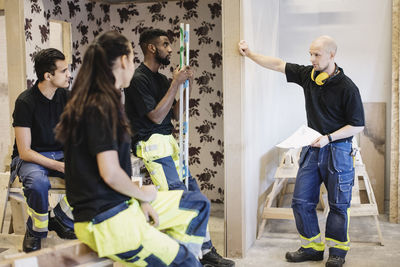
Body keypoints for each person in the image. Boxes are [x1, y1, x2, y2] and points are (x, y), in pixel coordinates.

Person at [55, 30, 210, 266]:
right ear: (125, 60)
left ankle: (173, 254)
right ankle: (179, 258)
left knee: (198, 204)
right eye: (132, 58)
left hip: (118, 207)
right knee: (187, 261)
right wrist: (142, 193)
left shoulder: (102, 100)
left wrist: (141, 201)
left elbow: (115, 171)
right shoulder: (100, 105)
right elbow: (111, 173)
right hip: (107, 221)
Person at [238, 36, 365, 267]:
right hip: (312, 149)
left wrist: (328, 138)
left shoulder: (347, 87)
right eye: (311, 54)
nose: (312, 59)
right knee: (301, 202)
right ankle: (312, 247)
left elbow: (357, 125)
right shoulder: (309, 76)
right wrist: (250, 53)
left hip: (338, 151)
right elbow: (277, 64)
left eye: (317, 54)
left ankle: (337, 251)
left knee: (338, 205)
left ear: (331, 55)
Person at [124, 28, 235, 267]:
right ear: (151, 48)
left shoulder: (162, 80)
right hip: (152, 147)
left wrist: (187, 85)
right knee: (181, 200)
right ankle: (187, 255)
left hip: (168, 145)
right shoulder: (137, 79)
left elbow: (176, 112)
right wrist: (176, 82)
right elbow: (155, 116)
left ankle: (205, 251)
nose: (170, 49)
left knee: (195, 196)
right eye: (165, 44)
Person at [10, 48, 76, 252]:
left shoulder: (66, 96)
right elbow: (25, 152)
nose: (69, 74)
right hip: (31, 157)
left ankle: (59, 218)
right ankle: (36, 230)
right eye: (64, 71)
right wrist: (59, 165)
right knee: (38, 184)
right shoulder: (25, 102)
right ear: (48, 75)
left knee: (91, 175)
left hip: (61, 153)